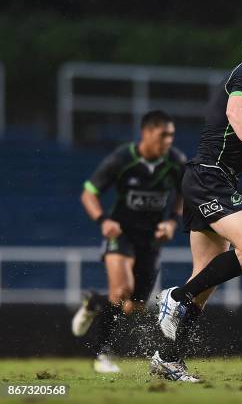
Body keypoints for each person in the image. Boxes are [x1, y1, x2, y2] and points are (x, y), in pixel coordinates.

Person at [150, 15, 242, 382]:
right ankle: (173, 298)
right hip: (211, 178)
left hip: (203, 178)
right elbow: (234, 111)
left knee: (204, 285)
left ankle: (168, 359)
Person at [72, 110, 186, 373]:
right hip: (121, 235)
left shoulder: (175, 162)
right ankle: (102, 356)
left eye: (171, 135)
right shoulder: (123, 158)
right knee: (121, 290)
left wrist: (171, 221)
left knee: (132, 307)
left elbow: (183, 195)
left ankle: (94, 303)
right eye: (163, 135)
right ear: (146, 133)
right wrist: (103, 221)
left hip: (151, 241)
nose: (168, 140)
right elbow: (89, 193)